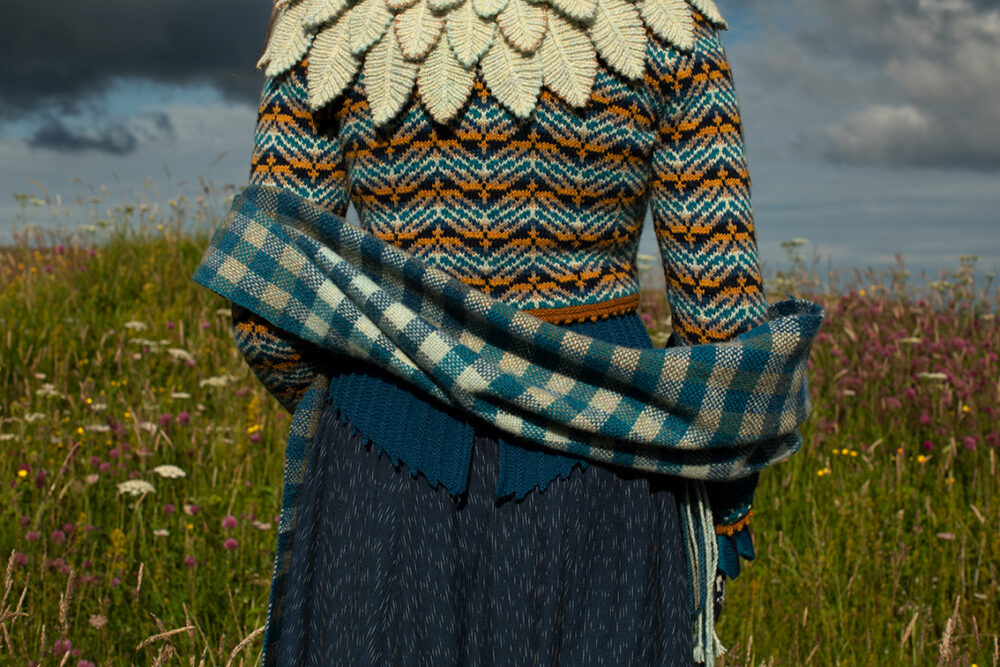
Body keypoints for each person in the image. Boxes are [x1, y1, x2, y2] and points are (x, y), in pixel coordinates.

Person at [193, 1, 821, 664]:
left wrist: (373, 404)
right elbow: (722, 317)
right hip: (609, 470)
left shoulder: (326, 14)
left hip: (377, 464)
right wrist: (724, 503)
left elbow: (268, 302)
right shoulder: (666, 17)